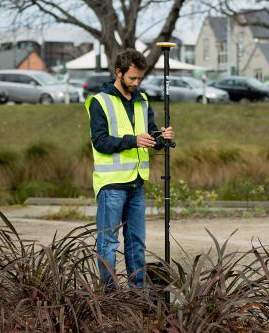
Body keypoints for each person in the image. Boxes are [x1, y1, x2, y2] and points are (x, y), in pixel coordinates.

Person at [85, 48, 174, 288]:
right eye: (132, 78)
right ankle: (109, 295)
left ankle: (138, 293)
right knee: (108, 243)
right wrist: (133, 140)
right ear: (119, 72)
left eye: (140, 79)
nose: (136, 83)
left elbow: (151, 133)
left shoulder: (142, 101)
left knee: (136, 242)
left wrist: (162, 137)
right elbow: (100, 141)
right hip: (111, 185)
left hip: (136, 184)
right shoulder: (100, 102)